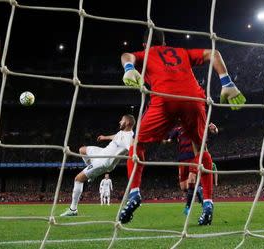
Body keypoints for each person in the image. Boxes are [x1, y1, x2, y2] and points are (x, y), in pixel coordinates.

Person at [119, 30, 246, 225]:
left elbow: (126, 55)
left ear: (145, 45)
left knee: (137, 145)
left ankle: (135, 193)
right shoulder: (181, 51)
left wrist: (128, 67)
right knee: (201, 149)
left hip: (164, 99)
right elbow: (214, 53)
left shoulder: (147, 53)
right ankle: (208, 204)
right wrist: (226, 82)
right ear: (165, 42)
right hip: (193, 99)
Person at [60, 115, 135, 216]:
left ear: (128, 123)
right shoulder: (122, 133)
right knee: (82, 150)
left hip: (103, 162)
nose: (120, 122)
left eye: (122, 120)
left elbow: (132, 146)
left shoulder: (128, 137)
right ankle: (92, 174)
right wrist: (105, 137)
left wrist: (134, 155)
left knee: (78, 179)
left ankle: (73, 209)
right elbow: (116, 137)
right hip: (101, 152)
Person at [165, 123, 218, 215]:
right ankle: (199, 191)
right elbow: (169, 138)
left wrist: (215, 129)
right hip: (182, 159)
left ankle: (189, 206)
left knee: (192, 179)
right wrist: (166, 139)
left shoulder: (195, 124)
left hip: (193, 156)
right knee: (184, 187)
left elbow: (212, 133)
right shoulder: (178, 129)